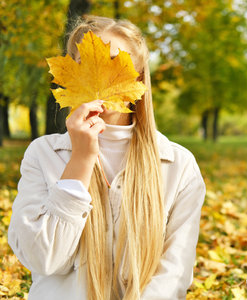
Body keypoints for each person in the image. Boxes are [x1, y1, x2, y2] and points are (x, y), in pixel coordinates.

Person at [8, 16, 205, 300]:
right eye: (83, 65)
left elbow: (174, 273)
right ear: (70, 75)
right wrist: (81, 160)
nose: (100, 75)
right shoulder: (43, 155)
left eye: (116, 61)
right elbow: (43, 259)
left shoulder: (179, 166)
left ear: (138, 76)